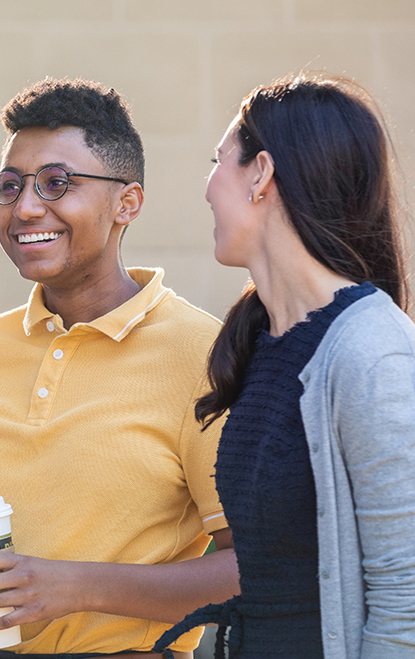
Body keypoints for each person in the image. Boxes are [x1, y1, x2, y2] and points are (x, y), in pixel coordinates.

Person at [0, 78, 241, 658]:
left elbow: (250, 573)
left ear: (126, 203)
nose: (26, 207)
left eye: (57, 183)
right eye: (10, 186)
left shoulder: (203, 355)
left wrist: (71, 586)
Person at [154, 75, 415, 659]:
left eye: (217, 161)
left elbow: (406, 601)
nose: (206, 188)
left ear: (261, 174)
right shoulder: (262, 341)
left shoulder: (371, 349)